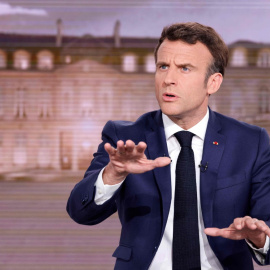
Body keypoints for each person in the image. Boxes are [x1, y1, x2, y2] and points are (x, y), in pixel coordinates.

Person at [67, 22, 270, 270]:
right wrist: (113, 173)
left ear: (213, 83)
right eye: (163, 66)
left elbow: (266, 228)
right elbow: (80, 211)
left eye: (184, 68)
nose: (168, 79)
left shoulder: (251, 142)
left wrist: (260, 237)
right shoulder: (124, 138)